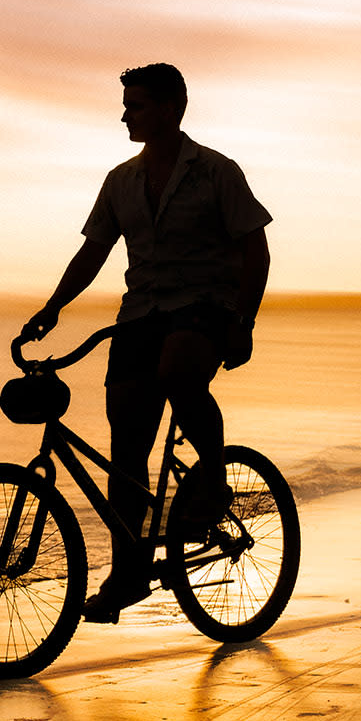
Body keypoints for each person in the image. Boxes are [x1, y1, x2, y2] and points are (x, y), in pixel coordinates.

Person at [19, 63, 271, 621]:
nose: (126, 114)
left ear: (172, 108)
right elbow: (93, 252)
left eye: (136, 105)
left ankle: (212, 482)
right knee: (125, 454)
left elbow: (255, 249)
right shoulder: (120, 181)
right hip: (140, 316)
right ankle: (128, 572)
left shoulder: (215, 172)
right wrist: (52, 308)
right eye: (126, 104)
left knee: (180, 370)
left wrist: (243, 321)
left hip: (205, 308)